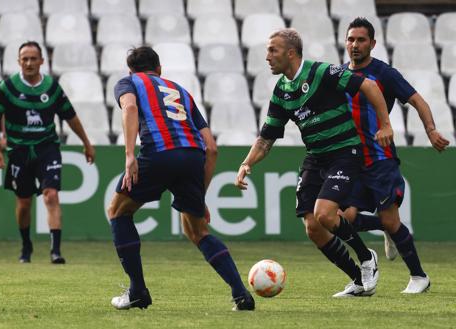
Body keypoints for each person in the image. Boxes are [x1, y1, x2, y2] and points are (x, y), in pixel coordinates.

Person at [235, 28, 394, 297]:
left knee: (324, 214)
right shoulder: (282, 91)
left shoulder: (321, 73)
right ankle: (357, 280)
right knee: (313, 227)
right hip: (317, 157)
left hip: (345, 152)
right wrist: (246, 164)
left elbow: (368, 85)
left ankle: (367, 258)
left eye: (272, 50)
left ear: (291, 53)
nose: (267, 57)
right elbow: (266, 139)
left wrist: (386, 124)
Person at [107, 46, 255, 311]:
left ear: (130, 70)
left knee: (118, 212)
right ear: (160, 69)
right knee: (197, 230)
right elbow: (211, 147)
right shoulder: (180, 91)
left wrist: (130, 155)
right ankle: (241, 294)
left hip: (159, 153)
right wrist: (200, 193)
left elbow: (129, 108)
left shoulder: (128, 82)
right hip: (192, 156)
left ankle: (138, 290)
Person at [340, 17, 450, 294]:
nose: (355, 45)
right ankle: (385, 231)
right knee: (343, 218)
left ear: (373, 44)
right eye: (351, 39)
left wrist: (431, 130)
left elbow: (417, 100)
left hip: (380, 160)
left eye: (361, 40)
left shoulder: (384, 74)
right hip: (351, 161)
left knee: (390, 219)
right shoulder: (339, 74)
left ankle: (419, 277)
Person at [0, 41, 95, 264]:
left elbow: (70, 116)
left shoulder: (52, 87)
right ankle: (26, 245)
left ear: (41, 61)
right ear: (19, 61)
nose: (29, 63)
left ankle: (55, 251)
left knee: (51, 194)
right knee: (24, 202)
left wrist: (86, 142)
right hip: (19, 150)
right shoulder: (7, 88)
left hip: (47, 148)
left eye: (33, 58)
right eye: (24, 59)